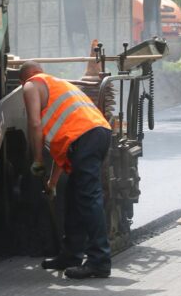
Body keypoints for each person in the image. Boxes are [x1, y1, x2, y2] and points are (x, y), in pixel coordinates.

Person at [19, 60, 113, 280]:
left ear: (26, 77)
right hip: (95, 135)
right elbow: (65, 150)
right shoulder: (59, 84)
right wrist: (52, 183)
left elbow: (34, 123)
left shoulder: (31, 85)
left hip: (86, 138)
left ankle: (99, 261)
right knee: (73, 195)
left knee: (89, 198)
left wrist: (37, 159)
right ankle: (71, 255)